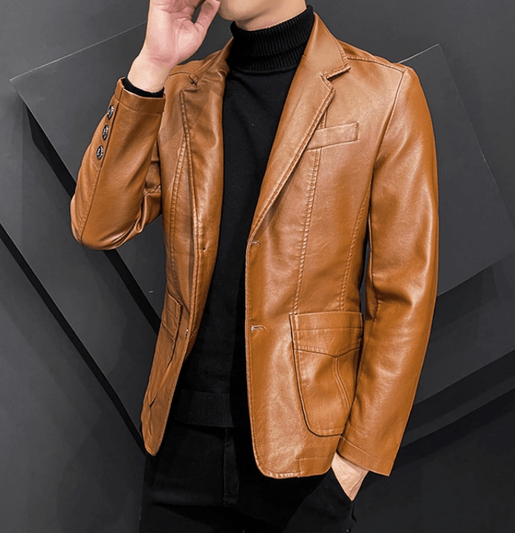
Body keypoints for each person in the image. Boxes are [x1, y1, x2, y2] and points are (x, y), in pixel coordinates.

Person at [70, 0, 439, 531]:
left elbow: (404, 297)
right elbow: (97, 225)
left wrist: (353, 465)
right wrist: (151, 66)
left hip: (304, 461)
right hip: (181, 448)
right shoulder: (182, 90)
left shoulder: (385, 93)